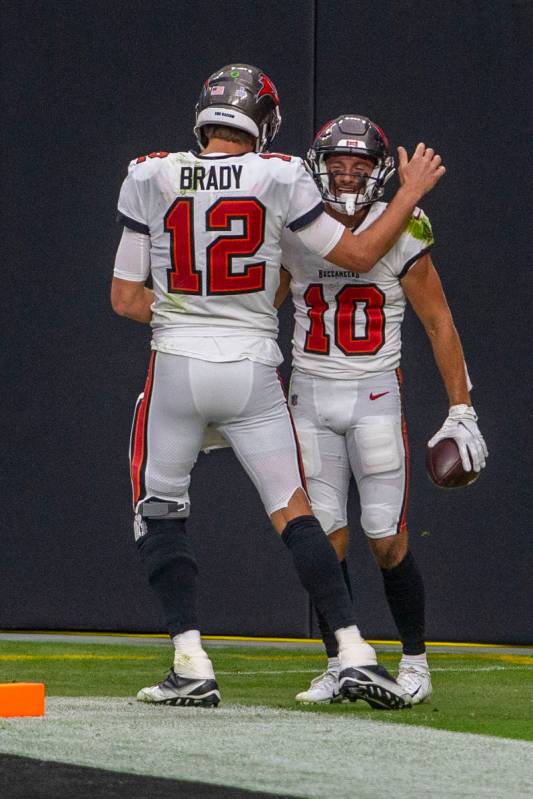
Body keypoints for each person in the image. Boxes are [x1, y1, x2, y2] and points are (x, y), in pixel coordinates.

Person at [110, 65, 445, 709]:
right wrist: (406, 195)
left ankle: (190, 659)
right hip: (254, 369)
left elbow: (125, 297)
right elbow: (353, 256)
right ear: (261, 125)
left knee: (161, 505)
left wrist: (191, 310)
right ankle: (353, 650)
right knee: (296, 512)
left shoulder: (147, 173)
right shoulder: (282, 174)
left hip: (176, 364)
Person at [277, 114, 487, 704]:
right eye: (336, 166)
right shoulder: (296, 228)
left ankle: (415, 661)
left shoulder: (402, 228)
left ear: (380, 173)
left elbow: (438, 322)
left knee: (385, 538)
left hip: (373, 395)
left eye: (359, 167)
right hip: (310, 396)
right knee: (324, 538)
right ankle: (341, 660)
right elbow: (262, 307)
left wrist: (461, 408)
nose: (346, 177)